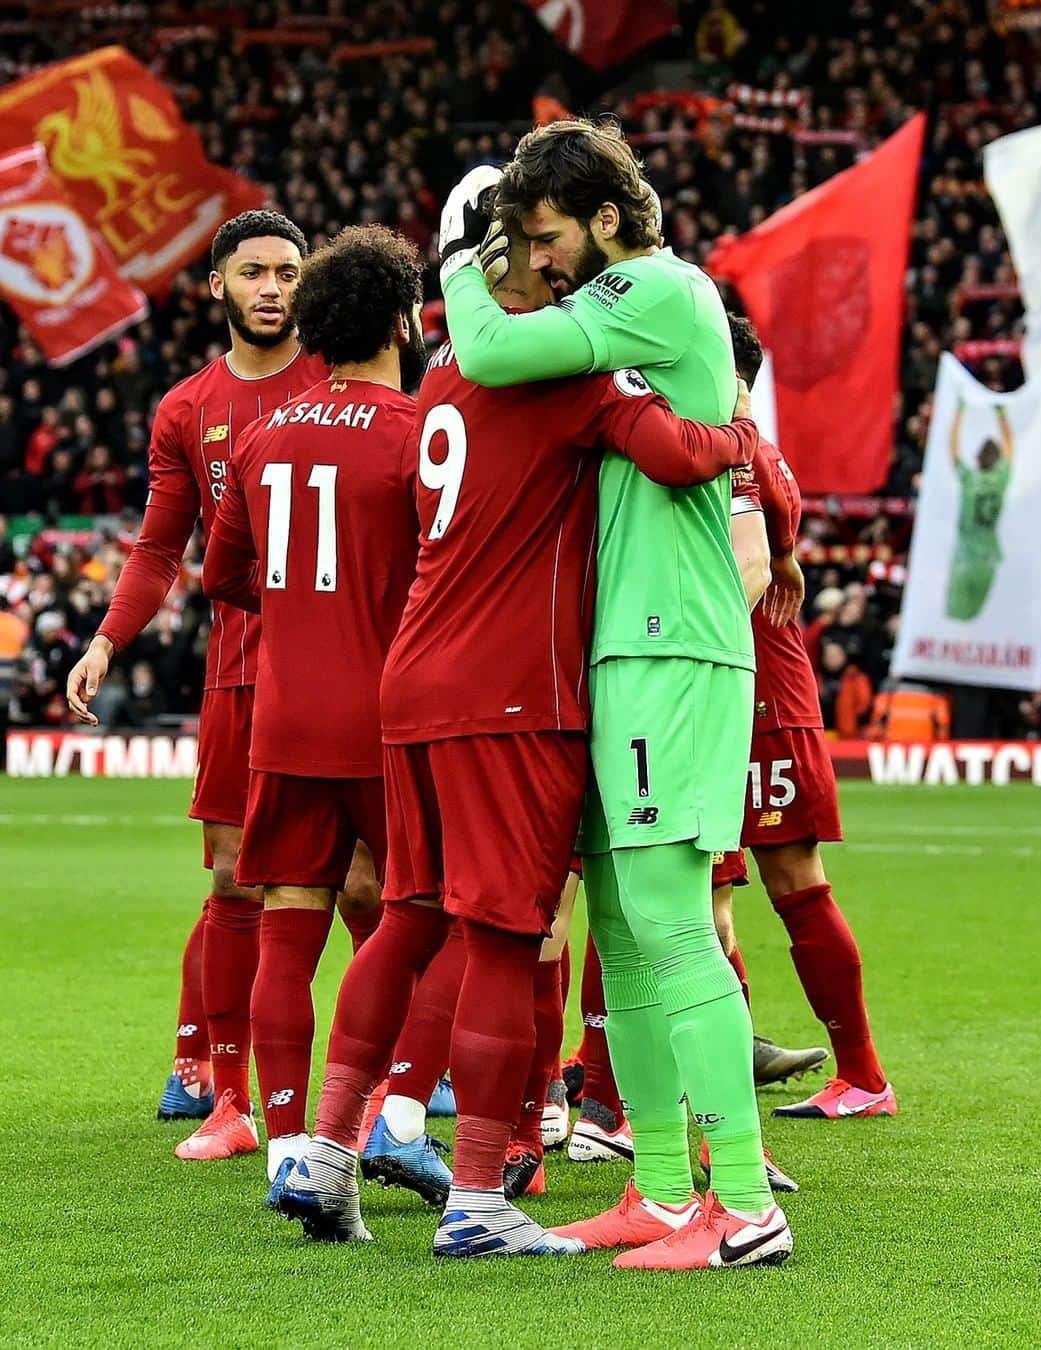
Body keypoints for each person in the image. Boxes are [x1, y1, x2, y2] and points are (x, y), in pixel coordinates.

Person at [276, 210, 761, 1253]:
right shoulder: (563, 380)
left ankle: (324, 1154)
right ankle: (483, 1199)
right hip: (509, 690)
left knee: (407, 917)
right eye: (548, 268)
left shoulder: (441, 381)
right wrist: (740, 431)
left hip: (411, 678)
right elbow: (679, 453)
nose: (567, 282)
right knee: (499, 934)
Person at [437, 118, 790, 1271]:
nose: (536, 264)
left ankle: (744, 1205)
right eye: (520, 243)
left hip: (670, 646)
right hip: (621, 649)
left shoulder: (655, 286)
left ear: (602, 219)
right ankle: (660, 1189)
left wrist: (455, 254)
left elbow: (485, 355)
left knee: (672, 920)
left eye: (546, 239)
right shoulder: (619, 313)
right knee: (630, 937)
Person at [66, 211, 327, 1150]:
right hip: (237, 678)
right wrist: (106, 640)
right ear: (216, 285)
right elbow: (156, 548)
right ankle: (228, 1102)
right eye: (252, 271)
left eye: (288, 272)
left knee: (376, 888)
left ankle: (380, 1094)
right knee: (232, 882)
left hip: (341, 670)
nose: (271, 288)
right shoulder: (187, 409)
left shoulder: (340, 384)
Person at [201, 224, 440, 1193]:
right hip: (387, 722)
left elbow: (225, 576)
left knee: (287, 926)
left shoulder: (262, 436)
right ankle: (397, 1112)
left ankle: (290, 1141)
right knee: (436, 916)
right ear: (396, 320)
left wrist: (306, 612)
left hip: (284, 719)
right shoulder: (418, 434)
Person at [710, 316, 896, 1121]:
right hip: (726, 691)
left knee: (786, 883)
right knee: (702, 894)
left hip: (756, 697)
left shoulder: (738, 444)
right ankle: (731, 1057)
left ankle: (860, 1075)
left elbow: (765, 549)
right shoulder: (742, 445)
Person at [945, 400, 1013, 621]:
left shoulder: (970, 479)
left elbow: (953, 449)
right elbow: (1010, 444)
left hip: (966, 555)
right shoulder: (1001, 478)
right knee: (977, 619)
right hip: (990, 557)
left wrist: (959, 411)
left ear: (977, 459)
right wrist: (1001, 413)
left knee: (955, 619)